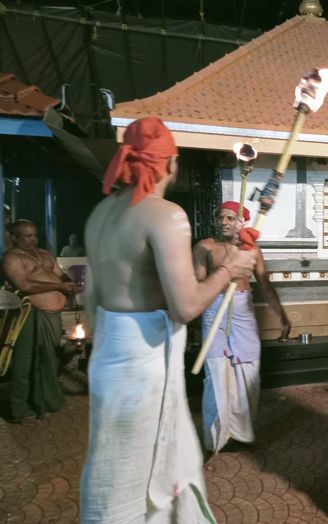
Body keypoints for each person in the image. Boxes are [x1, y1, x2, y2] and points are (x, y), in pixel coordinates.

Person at [80, 116, 255, 522]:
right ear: (171, 163)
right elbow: (186, 307)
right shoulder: (166, 215)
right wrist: (231, 269)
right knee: (137, 471)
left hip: (108, 355)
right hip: (144, 362)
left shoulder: (100, 213)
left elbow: (92, 299)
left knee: (115, 460)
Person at [193, 200, 291, 453]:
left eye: (230, 218)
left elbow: (265, 285)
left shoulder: (251, 250)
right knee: (215, 373)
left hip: (243, 311)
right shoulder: (205, 247)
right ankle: (216, 438)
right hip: (214, 310)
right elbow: (197, 289)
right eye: (221, 217)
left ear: (242, 222)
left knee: (248, 372)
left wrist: (281, 314)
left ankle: (241, 432)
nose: (224, 221)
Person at [2, 219, 75, 422]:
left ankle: (46, 401)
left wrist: (69, 284)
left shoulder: (43, 253)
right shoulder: (11, 258)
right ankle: (19, 408)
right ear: (14, 237)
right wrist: (60, 288)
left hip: (52, 316)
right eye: (26, 236)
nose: (32, 239)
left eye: (34, 235)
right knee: (25, 361)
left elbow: (60, 274)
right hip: (30, 314)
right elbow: (23, 285)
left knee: (50, 359)